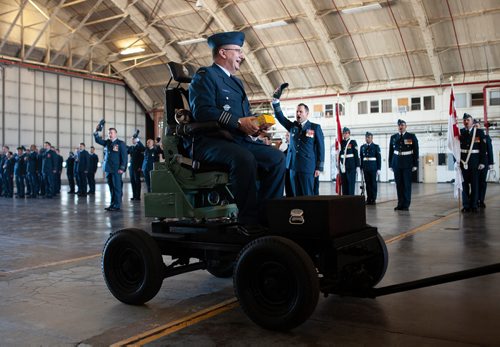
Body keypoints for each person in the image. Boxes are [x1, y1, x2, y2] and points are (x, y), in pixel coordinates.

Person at [188, 31, 285, 229]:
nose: (242, 56)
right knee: (244, 158)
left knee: (277, 159)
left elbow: (245, 115)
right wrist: (239, 123)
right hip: (211, 142)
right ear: (223, 53)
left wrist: (255, 127)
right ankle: (248, 221)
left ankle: (267, 216)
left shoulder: (236, 83)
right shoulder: (205, 76)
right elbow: (203, 111)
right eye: (238, 51)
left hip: (238, 140)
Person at [272, 101, 324, 196]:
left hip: (307, 168)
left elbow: (321, 148)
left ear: (307, 114)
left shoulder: (315, 128)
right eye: (297, 112)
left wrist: (319, 167)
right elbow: (281, 118)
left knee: (307, 196)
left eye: (300, 112)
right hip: (293, 167)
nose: (298, 114)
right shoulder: (293, 127)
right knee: (295, 196)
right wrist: (276, 103)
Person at [94, 126, 128, 211]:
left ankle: (117, 205)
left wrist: (122, 168)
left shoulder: (121, 143)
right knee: (111, 188)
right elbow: (98, 140)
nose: (110, 134)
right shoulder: (107, 143)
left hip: (117, 169)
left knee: (117, 187)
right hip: (108, 169)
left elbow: (124, 157)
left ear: (115, 134)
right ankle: (112, 204)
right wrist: (96, 131)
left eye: (111, 133)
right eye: (109, 133)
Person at [388, 119, 419, 211]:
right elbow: (391, 152)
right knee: (399, 185)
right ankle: (400, 204)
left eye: (402, 125)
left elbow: (416, 151)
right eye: (399, 125)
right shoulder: (393, 137)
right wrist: (390, 164)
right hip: (396, 163)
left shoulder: (411, 136)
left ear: (406, 126)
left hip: (407, 163)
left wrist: (415, 164)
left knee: (406, 185)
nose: (400, 127)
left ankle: (406, 204)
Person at [459, 114, 486, 212]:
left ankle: (474, 205)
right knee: (464, 185)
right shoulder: (460, 132)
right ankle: (466, 205)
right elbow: (456, 148)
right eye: (464, 120)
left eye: (468, 120)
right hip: (463, 163)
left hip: (475, 162)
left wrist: (482, 162)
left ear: (472, 121)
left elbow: (483, 148)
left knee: (475, 184)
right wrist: (456, 162)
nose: (466, 122)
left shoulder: (479, 132)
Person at [476, 120, 494, 209]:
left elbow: (490, 150)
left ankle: (481, 200)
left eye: (477, 125)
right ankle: (475, 200)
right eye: (475, 125)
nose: (476, 127)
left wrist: (491, 162)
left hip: (485, 161)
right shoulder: (472, 137)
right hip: (475, 162)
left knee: (482, 182)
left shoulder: (486, 137)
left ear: (480, 126)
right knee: (475, 182)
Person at [360, 132, 381, 205]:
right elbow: (362, 158)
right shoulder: (362, 147)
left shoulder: (376, 147)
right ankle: (369, 198)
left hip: (373, 167)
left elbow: (379, 158)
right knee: (367, 184)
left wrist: (379, 169)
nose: (367, 139)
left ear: (372, 138)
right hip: (365, 167)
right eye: (366, 137)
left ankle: (373, 198)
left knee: (373, 183)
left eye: (368, 137)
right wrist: (361, 167)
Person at [339, 127, 359, 196]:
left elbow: (356, 155)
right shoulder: (341, 143)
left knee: (351, 184)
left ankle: (350, 200)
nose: (345, 134)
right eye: (344, 133)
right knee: (344, 184)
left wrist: (357, 166)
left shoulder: (353, 142)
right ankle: (345, 199)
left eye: (346, 133)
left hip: (351, 166)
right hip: (343, 167)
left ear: (349, 134)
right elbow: (340, 154)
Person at [128, 136, 145, 200]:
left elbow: (143, 149)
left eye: (133, 139)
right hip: (131, 167)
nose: (132, 140)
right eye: (132, 139)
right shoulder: (131, 147)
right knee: (132, 181)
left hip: (137, 167)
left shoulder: (139, 147)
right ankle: (134, 195)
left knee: (137, 181)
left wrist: (140, 167)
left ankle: (138, 196)